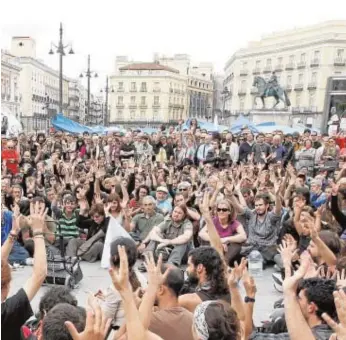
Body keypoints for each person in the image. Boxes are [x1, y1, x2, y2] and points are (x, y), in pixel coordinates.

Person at [1, 202, 48, 340]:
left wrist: (13, 234)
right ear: (7, 286)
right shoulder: (8, 312)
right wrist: (38, 232)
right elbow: (39, 274)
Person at [147, 265, 195, 340]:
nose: (145, 289)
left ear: (160, 289)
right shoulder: (192, 318)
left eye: (149, 284)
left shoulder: (151, 321)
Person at [179, 246, 230, 312]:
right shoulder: (228, 291)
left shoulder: (186, 300)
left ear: (199, 267)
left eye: (189, 265)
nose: (187, 269)